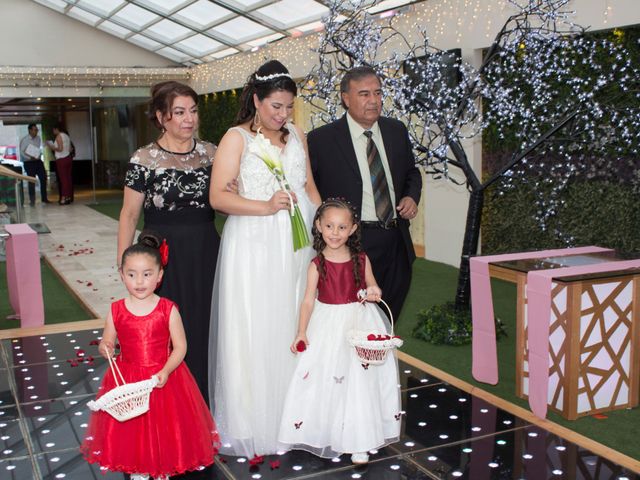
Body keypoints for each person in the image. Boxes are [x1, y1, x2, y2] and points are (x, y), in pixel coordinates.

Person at [209, 60, 321, 458]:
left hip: (299, 240)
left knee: (297, 318)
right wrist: (265, 206)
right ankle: (254, 420)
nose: (282, 114)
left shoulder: (297, 135)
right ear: (256, 100)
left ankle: (297, 415)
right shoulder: (236, 139)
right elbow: (219, 198)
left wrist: (324, 233)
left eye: (289, 106)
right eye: (275, 106)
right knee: (257, 325)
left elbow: (308, 187)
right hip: (255, 243)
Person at [81, 231, 220, 480]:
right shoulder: (116, 310)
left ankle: (162, 463)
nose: (139, 281)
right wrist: (106, 347)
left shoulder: (167, 309)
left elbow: (180, 347)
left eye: (147, 274)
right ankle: (140, 466)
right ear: (122, 275)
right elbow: (108, 340)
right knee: (134, 428)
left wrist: (166, 370)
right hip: (130, 379)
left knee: (164, 425)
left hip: (162, 377)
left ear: (159, 276)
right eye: (131, 274)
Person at [278, 198, 401, 464]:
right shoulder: (317, 264)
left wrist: (374, 292)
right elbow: (308, 300)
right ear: (319, 226)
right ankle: (324, 429)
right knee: (326, 376)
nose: (335, 233)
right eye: (330, 226)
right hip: (327, 324)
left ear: (353, 229)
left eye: (342, 227)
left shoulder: (360, 259)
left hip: (359, 323)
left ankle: (360, 439)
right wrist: (301, 332)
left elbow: (373, 286)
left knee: (359, 380)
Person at [118, 81, 219, 402]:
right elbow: (129, 215)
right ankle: (170, 400)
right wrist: (126, 266)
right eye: (179, 112)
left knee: (206, 321)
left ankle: (204, 396)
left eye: (192, 111)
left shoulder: (212, 152)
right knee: (167, 326)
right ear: (162, 117)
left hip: (206, 249)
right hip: (163, 255)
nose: (189, 119)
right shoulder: (144, 159)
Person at [308, 66, 422, 321]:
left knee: (388, 315)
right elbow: (306, 184)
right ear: (345, 98)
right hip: (352, 243)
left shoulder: (396, 130)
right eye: (364, 94)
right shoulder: (321, 140)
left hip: (396, 241)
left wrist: (411, 196)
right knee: (354, 318)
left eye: (378, 93)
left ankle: (382, 359)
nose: (373, 100)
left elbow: (412, 173)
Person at [19, 124, 50, 206]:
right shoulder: (24, 140)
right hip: (29, 163)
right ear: (30, 130)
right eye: (34, 130)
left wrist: (45, 145)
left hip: (38, 161)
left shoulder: (38, 138)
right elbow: (22, 152)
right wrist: (29, 157)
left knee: (43, 178)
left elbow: (38, 149)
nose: (36, 131)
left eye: (37, 130)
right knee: (31, 181)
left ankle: (44, 198)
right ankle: (32, 200)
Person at [46, 124, 73, 205]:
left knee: (63, 180)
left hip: (61, 160)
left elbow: (60, 149)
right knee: (68, 179)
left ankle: (63, 198)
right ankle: (68, 197)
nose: (53, 132)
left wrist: (51, 147)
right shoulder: (67, 136)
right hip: (68, 158)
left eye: (53, 130)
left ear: (56, 129)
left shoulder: (59, 136)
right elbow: (70, 149)